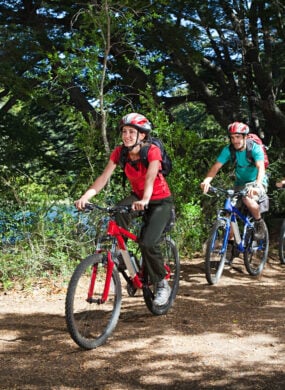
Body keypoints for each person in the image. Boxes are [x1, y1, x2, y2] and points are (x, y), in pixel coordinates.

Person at [75, 113, 174, 306]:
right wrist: (86, 196)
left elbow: (151, 176)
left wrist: (146, 198)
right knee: (117, 212)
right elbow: (104, 177)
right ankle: (123, 256)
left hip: (159, 200)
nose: (126, 135)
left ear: (142, 135)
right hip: (138, 196)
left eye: (131, 132)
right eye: (124, 131)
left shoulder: (152, 151)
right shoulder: (120, 152)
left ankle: (162, 283)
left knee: (148, 243)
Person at [200, 121, 268, 256]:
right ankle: (232, 246)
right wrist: (207, 180)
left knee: (248, 199)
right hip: (240, 184)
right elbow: (216, 166)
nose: (235, 140)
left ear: (245, 137)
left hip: (256, 181)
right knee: (230, 211)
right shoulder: (228, 150)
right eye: (232, 137)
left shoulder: (254, 148)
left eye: (238, 137)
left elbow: (261, 167)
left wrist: (258, 186)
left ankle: (259, 223)